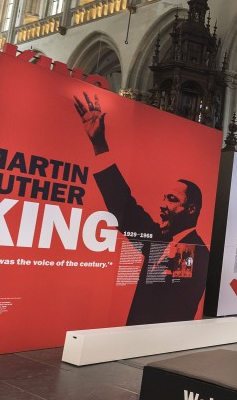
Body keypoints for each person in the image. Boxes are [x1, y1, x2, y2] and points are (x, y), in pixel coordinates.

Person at [75, 91, 209, 325]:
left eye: (172, 199)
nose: (162, 206)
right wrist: (99, 145)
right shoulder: (162, 240)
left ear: (191, 210)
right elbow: (126, 210)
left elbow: (172, 305)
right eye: (164, 198)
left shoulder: (193, 250)